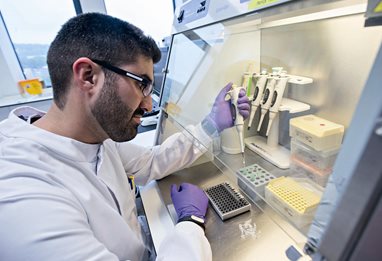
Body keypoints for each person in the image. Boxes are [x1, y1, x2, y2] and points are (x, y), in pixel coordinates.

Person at [0, 13, 250, 261]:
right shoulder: (24, 195)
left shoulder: (96, 137)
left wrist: (211, 123)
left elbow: (151, 162)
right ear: (88, 76)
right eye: (142, 84)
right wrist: (191, 223)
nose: (148, 104)